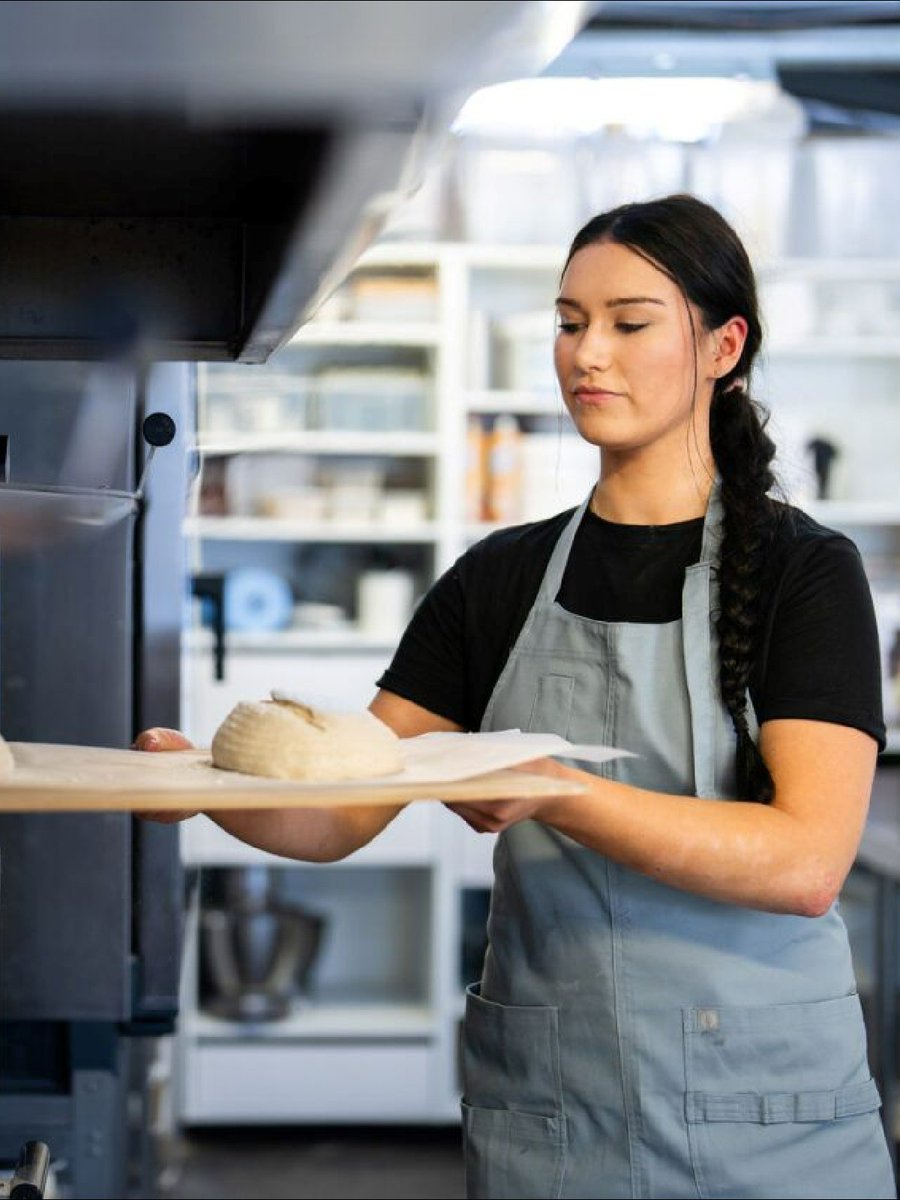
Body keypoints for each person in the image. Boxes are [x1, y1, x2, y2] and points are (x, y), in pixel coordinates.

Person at [140, 194, 895, 1200]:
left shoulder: (807, 574)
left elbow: (805, 862)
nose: (588, 354)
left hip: (766, 1119)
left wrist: (560, 793)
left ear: (723, 346)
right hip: (556, 1118)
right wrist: (205, 785)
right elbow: (346, 808)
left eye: (630, 324)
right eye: (570, 321)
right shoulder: (499, 577)